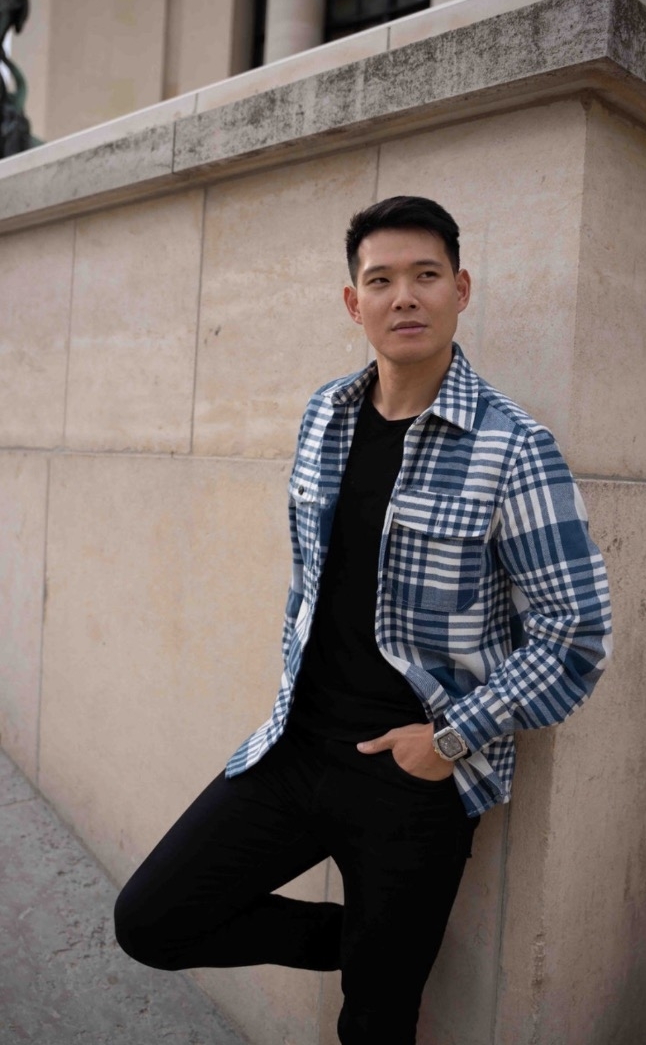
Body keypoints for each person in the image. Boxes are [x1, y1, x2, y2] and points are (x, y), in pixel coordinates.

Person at [114, 196, 612, 1044]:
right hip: (296, 748)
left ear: (460, 290)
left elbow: (575, 633)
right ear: (354, 302)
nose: (403, 296)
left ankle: (386, 960)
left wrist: (448, 739)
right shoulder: (324, 416)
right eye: (380, 280)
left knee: (375, 1022)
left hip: (415, 780)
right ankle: (375, 948)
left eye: (425, 276)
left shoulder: (511, 447)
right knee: (152, 920)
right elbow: (310, 583)